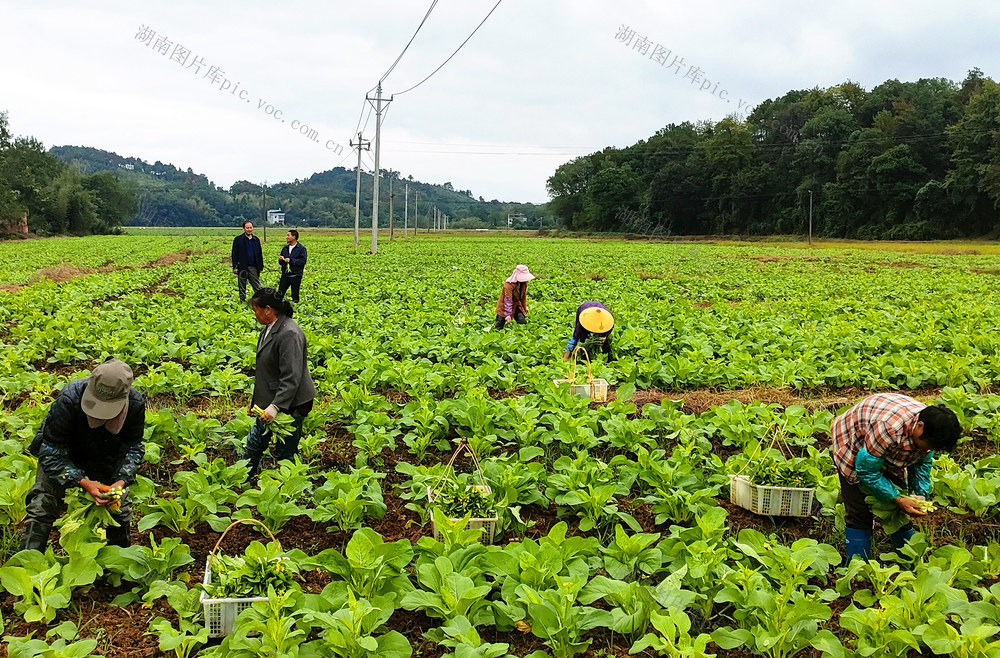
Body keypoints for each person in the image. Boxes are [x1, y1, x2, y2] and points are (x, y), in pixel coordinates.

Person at [20, 358, 145, 551]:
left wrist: (120, 482)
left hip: (107, 455)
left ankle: (118, 570)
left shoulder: (135, 405)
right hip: (65, 453)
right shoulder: (69, 399)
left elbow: (133, 448)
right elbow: (50, 451)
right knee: (42, 503)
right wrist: (84, 482)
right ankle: (28, 566)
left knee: (120, 508)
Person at [831, 393, 961, 561]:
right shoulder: (889, 428)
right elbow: (865, 470)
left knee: (900, 510)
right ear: (919, 426)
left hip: (883, 445)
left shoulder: (932, 431)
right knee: (859, 510)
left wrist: (918, 495)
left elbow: (922, 463)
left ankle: (907, 560)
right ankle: (857, 567)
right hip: (855, 441)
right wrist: (897, 498)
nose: (928, 450)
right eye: (928, 445)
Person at [240, 287, 317, 480]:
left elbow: (291, 377)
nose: (254, 314)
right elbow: (266, 373)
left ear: (268, 309)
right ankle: (241, 481)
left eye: (256, 310)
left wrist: (275, 407)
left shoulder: (289, 333)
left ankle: (298, 490)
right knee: (254, 444)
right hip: (273, 400)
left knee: (286, 452)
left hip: (292, 403)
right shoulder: (269, 329)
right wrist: (255, 403)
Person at [231, 221, 265, 302]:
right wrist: (235, 267)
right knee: (242, 286)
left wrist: (260, 266)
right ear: (243, 229)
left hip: (253, 266)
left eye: (251, 227)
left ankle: (260, 302)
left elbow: (259, 254)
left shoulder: (256, 240)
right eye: (247, 228)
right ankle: (242, 301)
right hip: (242, 266)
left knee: (257, 286)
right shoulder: (238, 240)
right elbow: (234, 254)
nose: (249, 229)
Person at [495, 264, 535, 330]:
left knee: (523, 322)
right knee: (499, 325)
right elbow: (508, 300)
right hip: (504, 307)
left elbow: (523, 296)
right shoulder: (508, 285)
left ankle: (522, 336)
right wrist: (508, 314)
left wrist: (524, 307)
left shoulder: (523, 283)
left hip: (516, 305)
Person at [277, 229, 307, 304]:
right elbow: (281, 263)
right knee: (279, 294)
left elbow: (302, 261)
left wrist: (291, 260)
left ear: (294, 237)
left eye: (288, 235)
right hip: (285, 274)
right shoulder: (285, 248)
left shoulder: (301, 249)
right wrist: (281, 260)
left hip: (296, 274)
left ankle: (295, 309)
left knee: (295, 294)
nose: (286, 237)